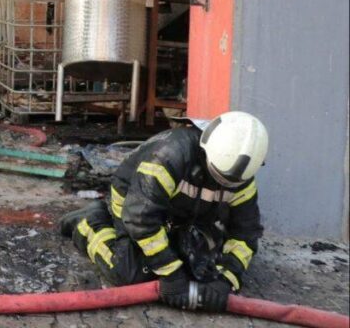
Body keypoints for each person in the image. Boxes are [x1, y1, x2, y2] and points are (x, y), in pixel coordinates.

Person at [60, 111, 269, 313]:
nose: (220, 185)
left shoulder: (241, 178)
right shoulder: (170, 156)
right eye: (216, 176)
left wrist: (227, 280)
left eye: (227, 183)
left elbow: (246, 233)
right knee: (128, 272)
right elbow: (141, 219)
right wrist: (171, 273)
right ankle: (90, 222)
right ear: (206, 150)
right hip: (133, 206)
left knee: (203, 269)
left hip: (184, 214)